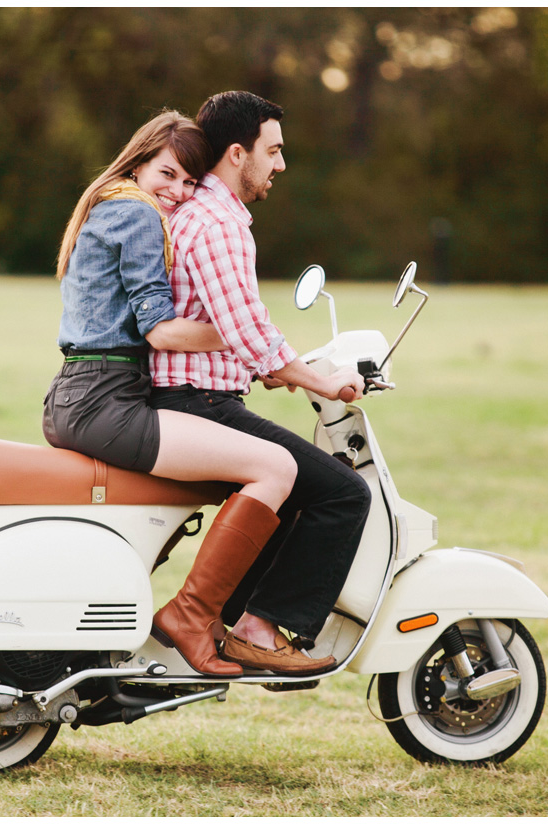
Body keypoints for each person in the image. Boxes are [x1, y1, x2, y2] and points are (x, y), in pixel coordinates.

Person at [42, 110, 327, 678]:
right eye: (167, 174)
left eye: (189, 182)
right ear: (139, 161)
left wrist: (249, 346)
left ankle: (209, 615)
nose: (176, 192)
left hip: (87, 394)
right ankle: (194, 616)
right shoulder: (138, 214)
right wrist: (242, 332)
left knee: (263, 471)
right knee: (274, 468)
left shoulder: (112, 205)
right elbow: (161, 331)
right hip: (105, 401)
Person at [149, 91, 372, 673]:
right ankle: (255, 627)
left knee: (301, 490)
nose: (280, 165)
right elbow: (248, 332)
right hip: (197, 405)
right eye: (273, 152)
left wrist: (275, 367)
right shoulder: (219, 223)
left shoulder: (199, 214)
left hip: (200, 396)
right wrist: (324, 382)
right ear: (236, 153)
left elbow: (234, 329)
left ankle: (232, 617)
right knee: (344, 493)